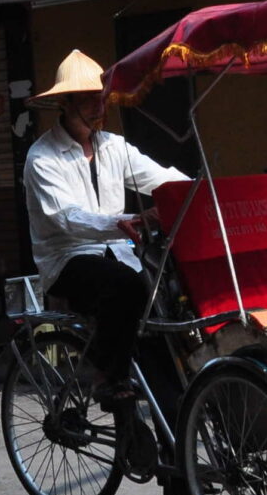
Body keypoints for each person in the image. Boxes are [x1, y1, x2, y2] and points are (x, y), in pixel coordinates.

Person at [21, 49, 188, 392]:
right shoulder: (41, 157)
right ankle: (108, 376)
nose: (99, 106)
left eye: (101, 97)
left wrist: (199, 192)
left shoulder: (114, 146)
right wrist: (128, 220)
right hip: (67, 260)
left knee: (169, 297)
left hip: (119, 251)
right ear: (65, 102)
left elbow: (161, 178)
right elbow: (68, 219)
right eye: (88, 98)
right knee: (126, 287)